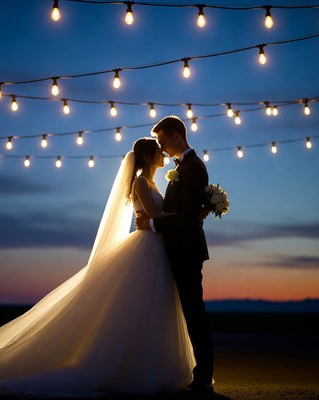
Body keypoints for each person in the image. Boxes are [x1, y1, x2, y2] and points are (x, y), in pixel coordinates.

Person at [0, 138, 195, 398]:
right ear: (147, 156)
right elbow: (156, 217)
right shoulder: (141, 184)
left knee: (154, 308)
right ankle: (133, 368)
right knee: (136, 309)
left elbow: (158, 219)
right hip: (146, 248)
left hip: (156, 248)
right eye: (158, 150)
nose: (163, 153)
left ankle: (153, 364)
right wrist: (193, 213)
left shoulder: (154, 183)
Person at [136, 115, 214, 393]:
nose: (162, 148)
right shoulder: (182, 168)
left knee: (194, 313)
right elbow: (187, 209)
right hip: (177, 249)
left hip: (187, 250)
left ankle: (203, 377)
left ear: (177, 137)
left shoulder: (193, 167)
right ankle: (198, 373)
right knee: (189, 312)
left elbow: (188, 214)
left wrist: (153, 223)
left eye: (163, 141)